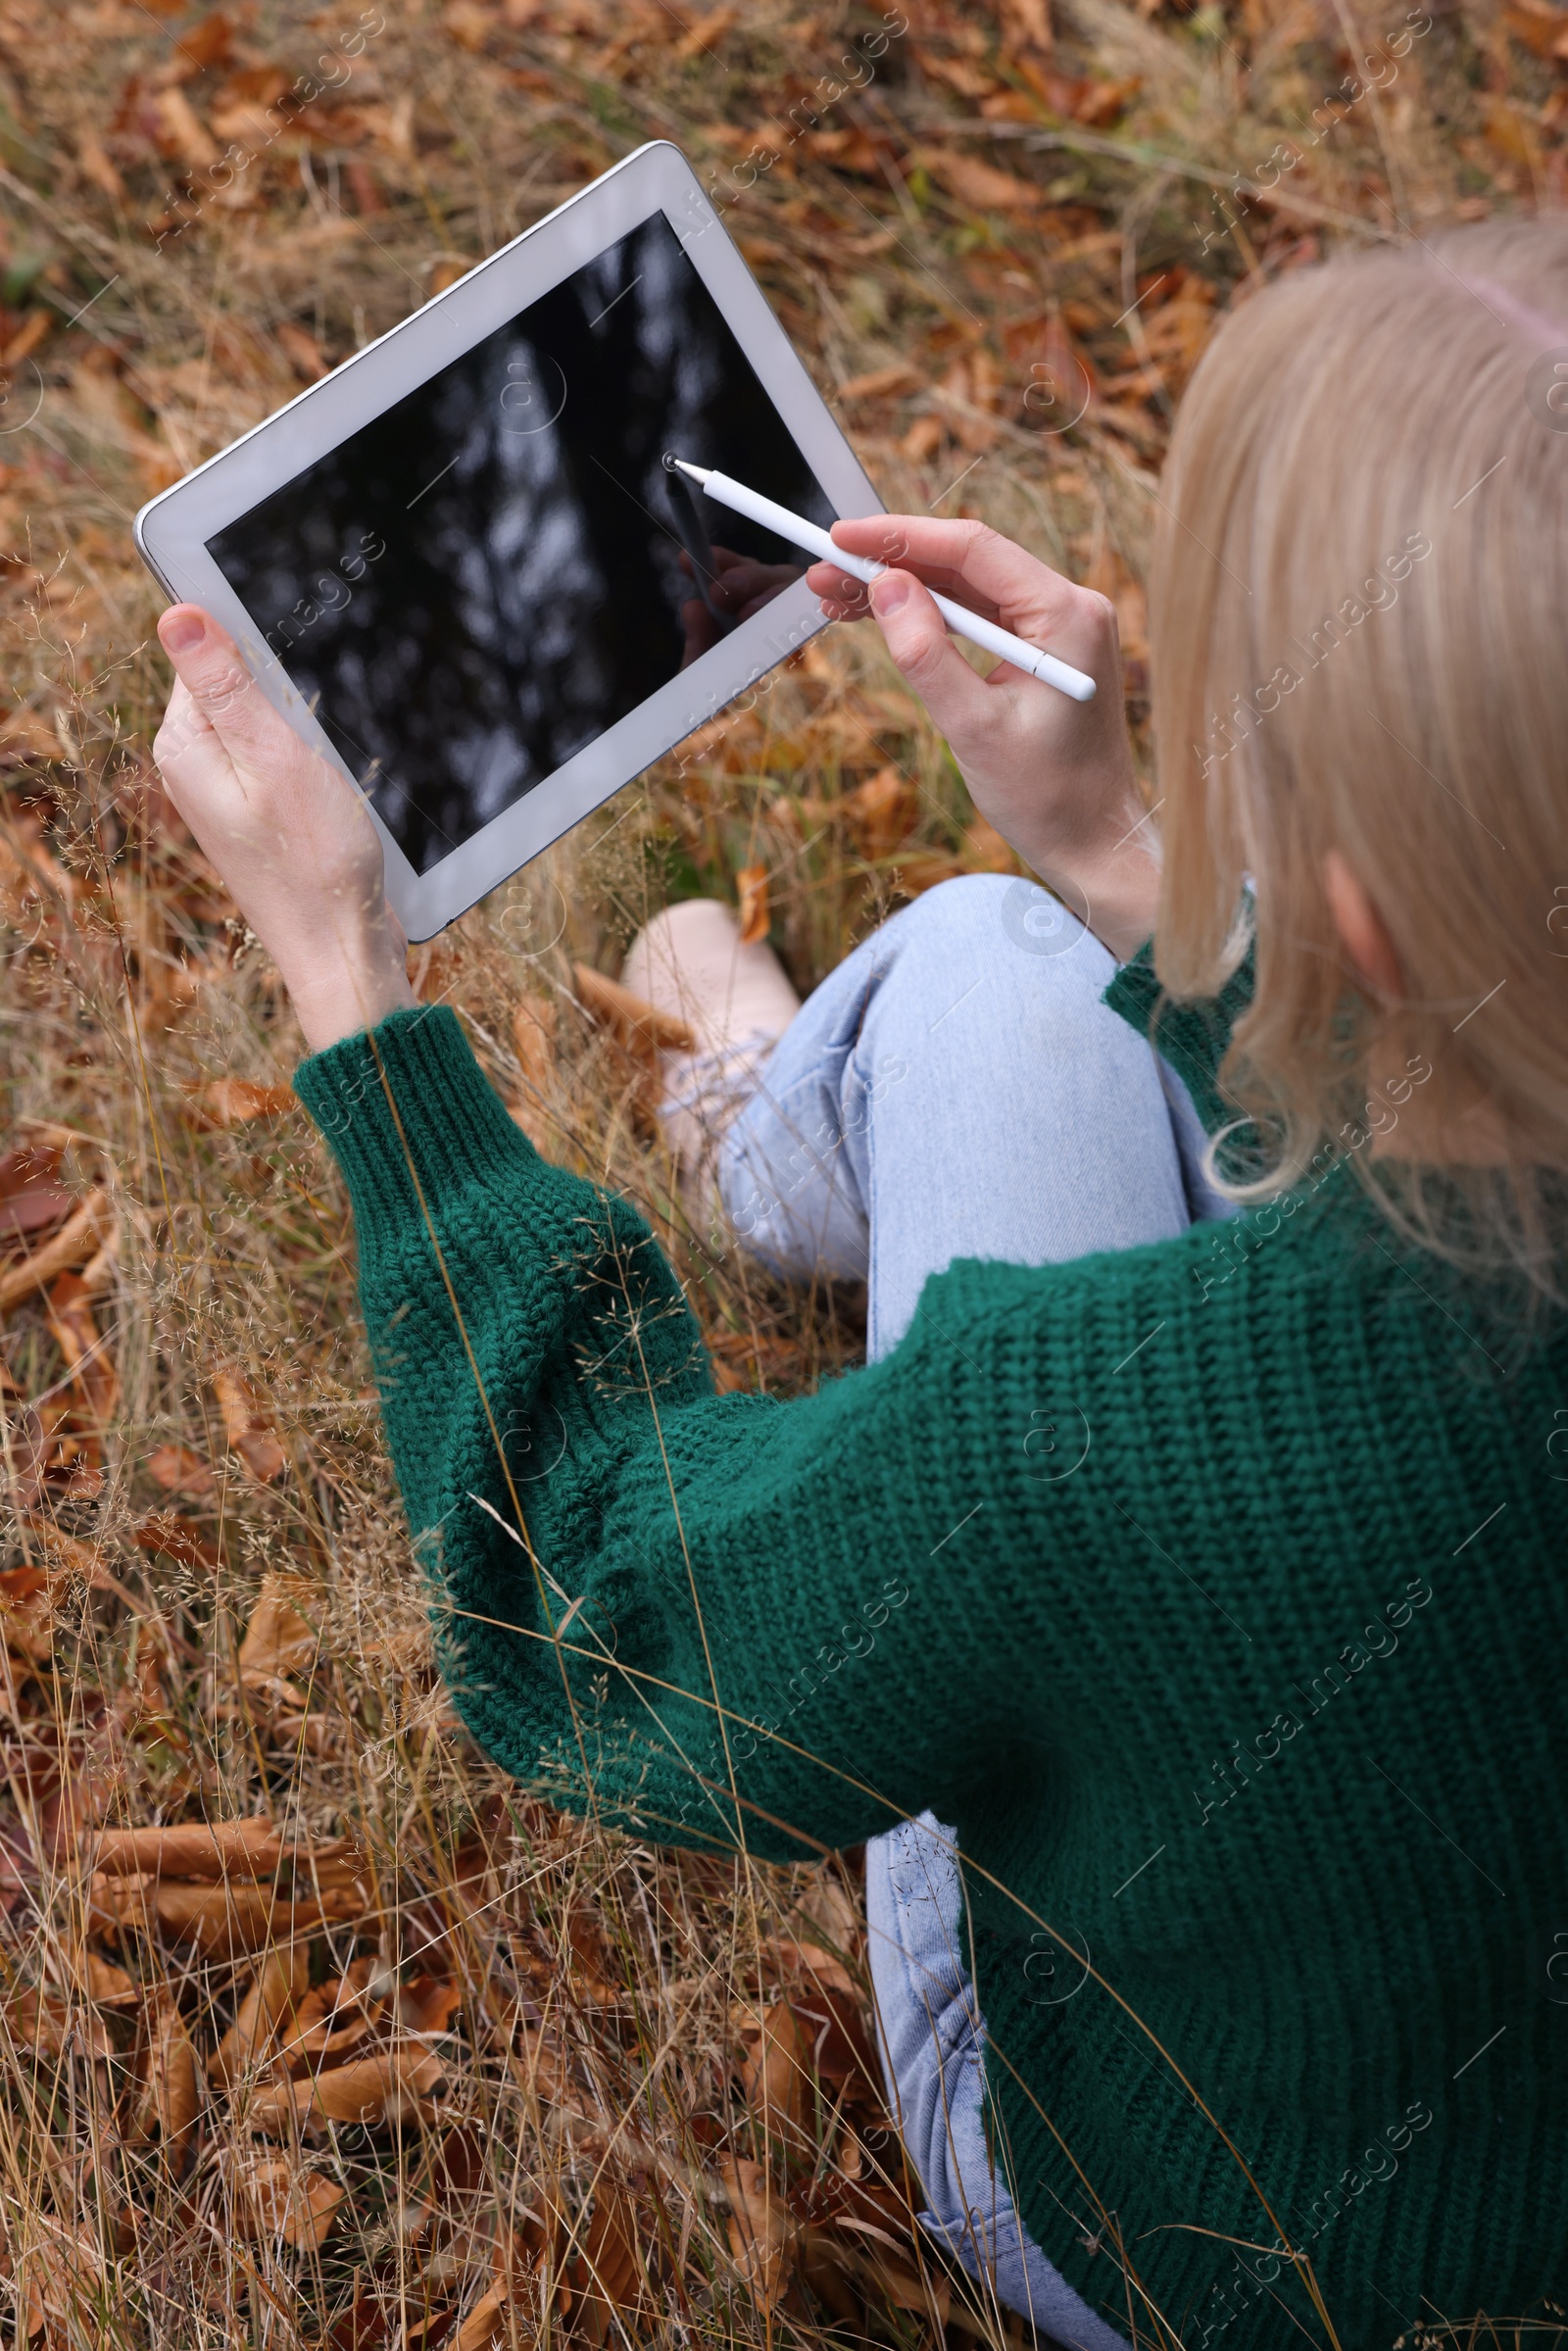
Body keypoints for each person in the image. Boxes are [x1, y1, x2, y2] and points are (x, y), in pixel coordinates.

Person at [148, 216, 1568, 2348]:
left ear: (1352, 914)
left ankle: (748, 1084)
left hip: (1178, 2238)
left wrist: (353, 999)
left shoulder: (1067, 1437)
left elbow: (607, 1626)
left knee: (980, 969)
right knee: (1029, 931)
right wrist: (1117, 853)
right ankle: (786, 1059)